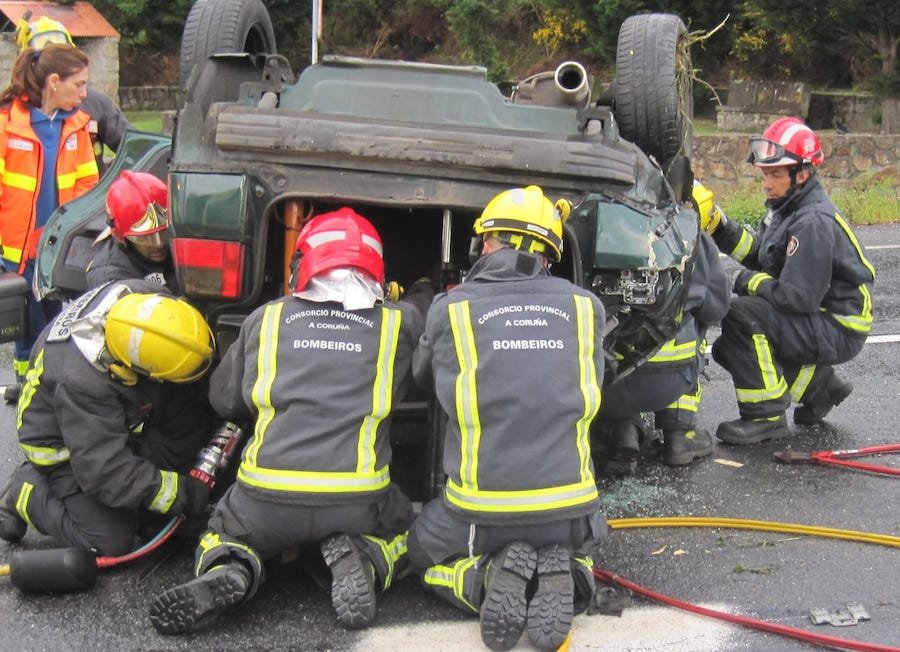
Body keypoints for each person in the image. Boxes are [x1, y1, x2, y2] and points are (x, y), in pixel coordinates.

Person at [149, 208, 434, 635]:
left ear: (301, 265)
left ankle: (233, 566)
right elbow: (423, 311)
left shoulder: (266, 318)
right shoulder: (399, 324)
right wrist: (424, 288)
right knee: (408, 532)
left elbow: (224, 400)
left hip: (265, 499)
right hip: (355, 502)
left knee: (223, 530)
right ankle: (363, 557)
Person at [407, 186, 606, 652]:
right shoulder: (585, 307)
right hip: (572, 514)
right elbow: (594, 380)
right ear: (550, 254)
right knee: (565, 536)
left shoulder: (451, 307)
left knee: (419, 550)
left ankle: (482, 577)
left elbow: (422, 379)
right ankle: (570, 570)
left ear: (487, 243)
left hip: (482, 517)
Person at [0, 279, 216, 555]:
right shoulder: (83, 383)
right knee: (110, 541)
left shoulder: (145, 298)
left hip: (101, 426)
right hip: (64, 451)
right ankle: (26, 489)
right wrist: (181, 494)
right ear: (135, 369)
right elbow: (106, 472)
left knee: (188, 412)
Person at [705, 117, 875, 444]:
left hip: (839, 325)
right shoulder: (788, 208)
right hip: (822, 317)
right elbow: (765, 258)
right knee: (730, 349)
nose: (767, 184)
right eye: (765, 174)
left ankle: (765, 418)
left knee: (742, 316)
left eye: (776, 175)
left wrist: (744, 282)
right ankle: (819, 387)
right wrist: (720, 227)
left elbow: (796, 298)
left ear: (802, 174)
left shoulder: (811, 221)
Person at [1, 43, 100, 403]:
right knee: (27, 329)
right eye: (80, 84)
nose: (85, 93)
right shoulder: (7, 125)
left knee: (62, 324)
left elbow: (90, 190)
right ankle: (30, 390)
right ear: (54, 82)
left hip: (62, 253)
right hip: (20, 255)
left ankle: (48, 389)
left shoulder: (78, 127)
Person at [594, 215, 731, 474]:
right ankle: (678, 437)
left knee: (609, 327)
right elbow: (717, 309)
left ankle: (623, 430)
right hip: (671, 380)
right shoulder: (689, 232)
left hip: (603, 386)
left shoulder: (590, 224)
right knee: (695, 319)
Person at [16, 15, 133, 175]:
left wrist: (114, 184)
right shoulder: (9, 118)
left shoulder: (94, 105)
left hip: (89, 198)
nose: (81, 94)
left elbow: (137, 148)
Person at [85, 170, 175, 289]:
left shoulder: (180, 249)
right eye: (145, 238)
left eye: (164, 233)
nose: (159, 245)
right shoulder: (109, 277)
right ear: (123, 237)